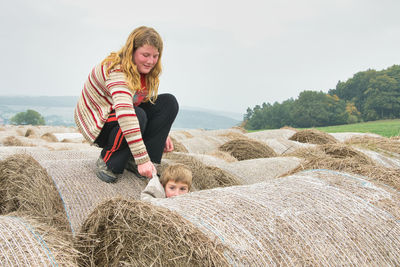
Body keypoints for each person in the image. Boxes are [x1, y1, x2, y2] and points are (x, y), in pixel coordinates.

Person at [74, 26, 178, 183]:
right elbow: (126, 113)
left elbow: (140, 101)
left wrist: (162, 132)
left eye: (155, 56)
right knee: (137, 115)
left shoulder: (145, 72)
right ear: (132, 51)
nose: (150, 61)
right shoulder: (117, 70)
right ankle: (108, 161)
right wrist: (141, 159)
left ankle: (138, 162)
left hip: (122, 115)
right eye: (145, 55)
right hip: (99, 121)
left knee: (168, 102)